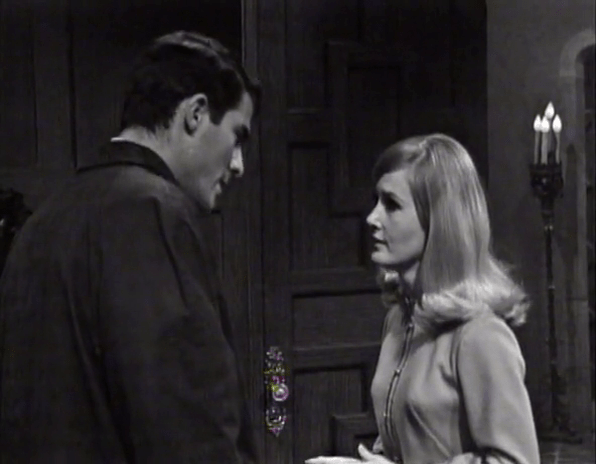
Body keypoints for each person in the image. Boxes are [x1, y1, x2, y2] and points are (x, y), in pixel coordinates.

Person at [0, 31, 260, 463]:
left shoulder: (44, 220)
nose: (238, 165)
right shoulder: (151, 212)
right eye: (237, 137)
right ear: (195, 114)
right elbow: (185, 426)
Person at [306, 134, 540, 464]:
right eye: (376, 201)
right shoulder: (399, 319)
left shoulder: (480, 336)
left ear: (438, 220)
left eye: (391, 204)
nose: (372, 218)